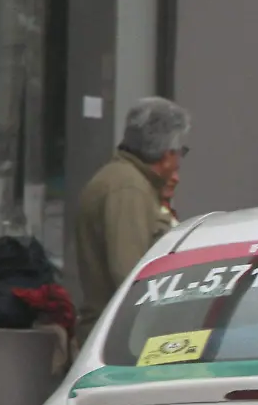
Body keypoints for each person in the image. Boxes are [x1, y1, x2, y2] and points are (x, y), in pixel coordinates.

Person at [74, 97, 190, 337]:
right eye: (181, 152)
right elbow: (129, 274)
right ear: (168, 153)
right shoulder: (129, 189)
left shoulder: (126, 181)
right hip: (123, 338)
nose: (179, 161)